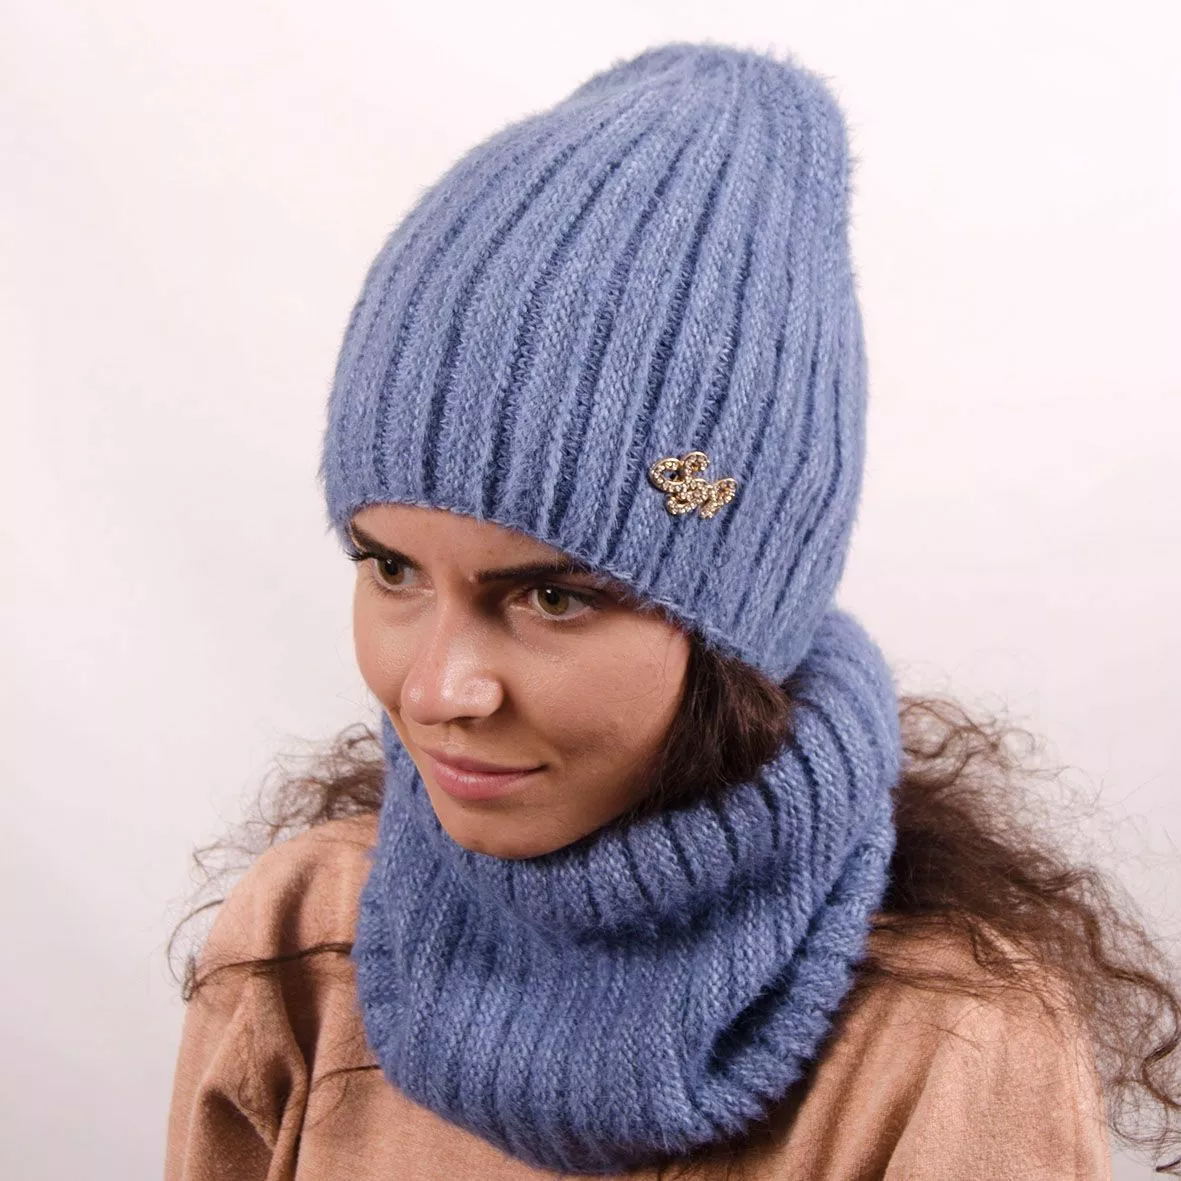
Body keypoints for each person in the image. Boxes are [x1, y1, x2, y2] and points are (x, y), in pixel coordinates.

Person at [163, 41, 1181, 1180]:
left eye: (551, 595)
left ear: (736, 623)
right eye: (391, 569)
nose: (436, 689)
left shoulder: (951, 1038)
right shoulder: (306, 935)